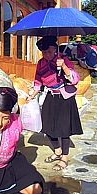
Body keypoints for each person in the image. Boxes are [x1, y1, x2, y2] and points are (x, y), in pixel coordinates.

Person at [27, 36, 83, 171]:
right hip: (51, 96)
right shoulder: (41, 63)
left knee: (63, 128)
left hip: (65, 97)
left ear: (55, 49)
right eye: (44, 53)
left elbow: (75, 79)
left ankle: (64, 157)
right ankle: (57, 151)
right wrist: (32, 96)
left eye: (49, 52)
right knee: (46, 126)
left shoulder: (63, 60)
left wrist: (63, 66)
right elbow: (38, 81)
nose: (47, 55)